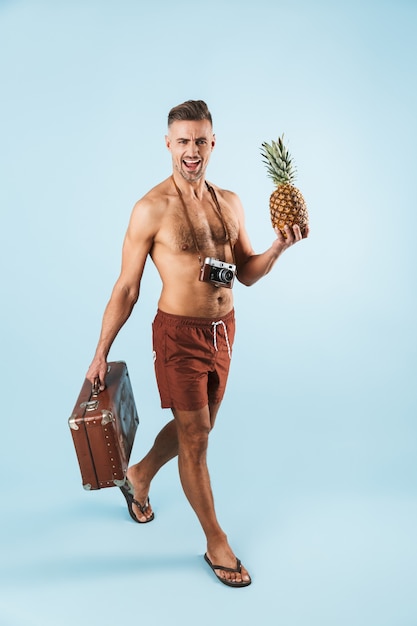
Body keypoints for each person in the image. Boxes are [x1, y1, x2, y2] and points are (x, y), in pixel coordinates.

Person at [86, 100, 309, 588]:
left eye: (200, 141)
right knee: (198, 438)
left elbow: (245, 273)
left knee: (198, 427)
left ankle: (140, 475)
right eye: (183, 141)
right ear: (168, 144)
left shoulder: (230, 202)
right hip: (178, 335)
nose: (192, 150)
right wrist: (101, 351)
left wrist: (277, 248)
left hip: (222, 331)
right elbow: (126, 287)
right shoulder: (150, 208)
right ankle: (216, 541)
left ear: (213, 144)